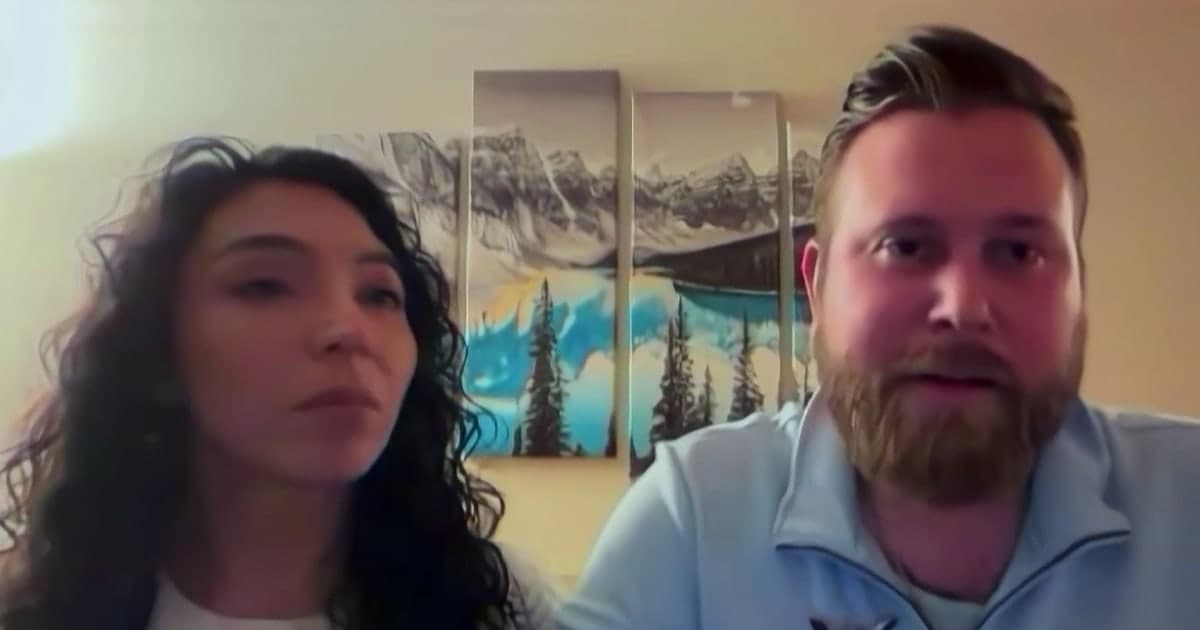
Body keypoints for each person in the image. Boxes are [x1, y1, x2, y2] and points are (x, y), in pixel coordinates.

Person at [555, 24, 1200, 630]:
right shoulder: (688, 528)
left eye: (1017, 252)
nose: (963, 306)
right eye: (907, 246)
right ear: (818, 284)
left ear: (1078, 289)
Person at [0, 137, 559, 629]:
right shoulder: (38, 611)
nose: (348, 329)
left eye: (380, 294)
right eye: (265, 286)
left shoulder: (497, 604)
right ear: (160, 351)